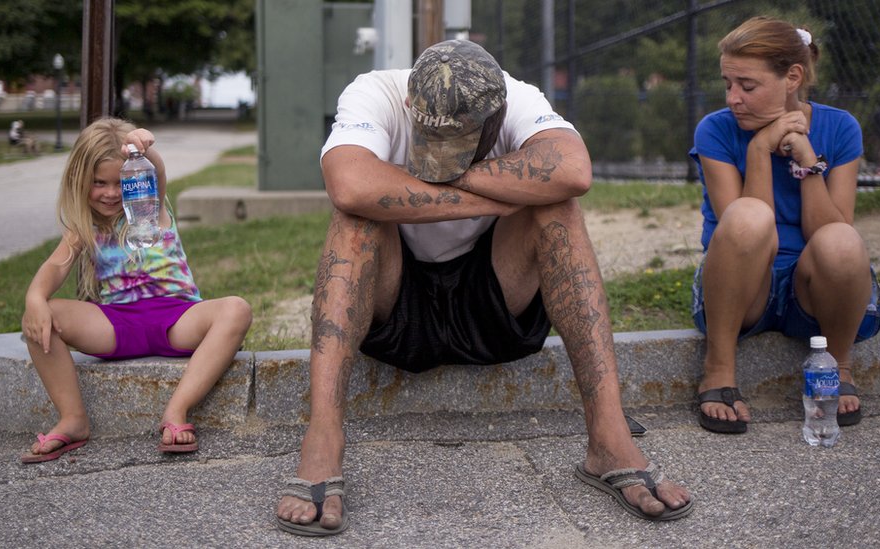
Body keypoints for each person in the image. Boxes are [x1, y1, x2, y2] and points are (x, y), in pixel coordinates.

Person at [275, 39, 693, 536]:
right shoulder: (374, 92)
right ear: (411, 103)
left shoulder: (518, 96)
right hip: (396, 307)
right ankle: (323, 438)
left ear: (497, 118)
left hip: (493, 304)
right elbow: (348, 184)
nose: (437, 161)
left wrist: (443, 183)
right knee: (354, 219)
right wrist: (496, 197)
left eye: (458, 145)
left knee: (557, 209)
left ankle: (608, 437)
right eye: (429, 142)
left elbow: (573, 171)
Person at [689, 17, 880, 435]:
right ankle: (719, 368)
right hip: (743, 288)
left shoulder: (840, 127)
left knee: (842, 241)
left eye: (747, 85)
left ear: (792, 77)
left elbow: (831, 232)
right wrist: (760, 148)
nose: (733, 98)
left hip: (815, 290)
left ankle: (839, 363)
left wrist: (807, 161)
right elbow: (748, 230)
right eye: (728, 84)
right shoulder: (716, 130)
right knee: (747, 215)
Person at [19, 117, 252, 463]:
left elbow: (155, 171)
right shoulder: (84, 228)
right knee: (39, 315)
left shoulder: (150, 208)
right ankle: (73, 418)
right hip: (116, 324)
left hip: (177, 318)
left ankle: (176, 412)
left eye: (121, 182)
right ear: (80, 181)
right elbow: (52, 270)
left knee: (237, 308)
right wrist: (35, 299)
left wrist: (145, 150)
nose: (112, 192)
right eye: (99, 183)